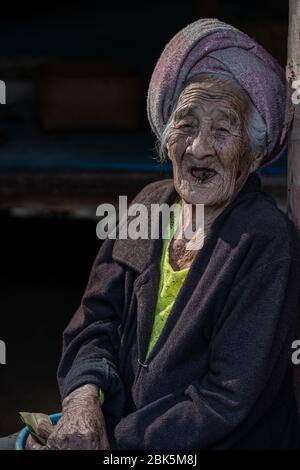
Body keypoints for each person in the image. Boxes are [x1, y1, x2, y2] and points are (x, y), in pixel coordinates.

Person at [3, 17, 300, 450]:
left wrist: (112, 442)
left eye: (222, 128)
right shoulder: (148, 204)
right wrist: (83, 402)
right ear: (166, 137)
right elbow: (95, 322)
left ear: (253, 155)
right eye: (186, 123)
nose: (198, 147)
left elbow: (224, 401)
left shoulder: (264, 241)